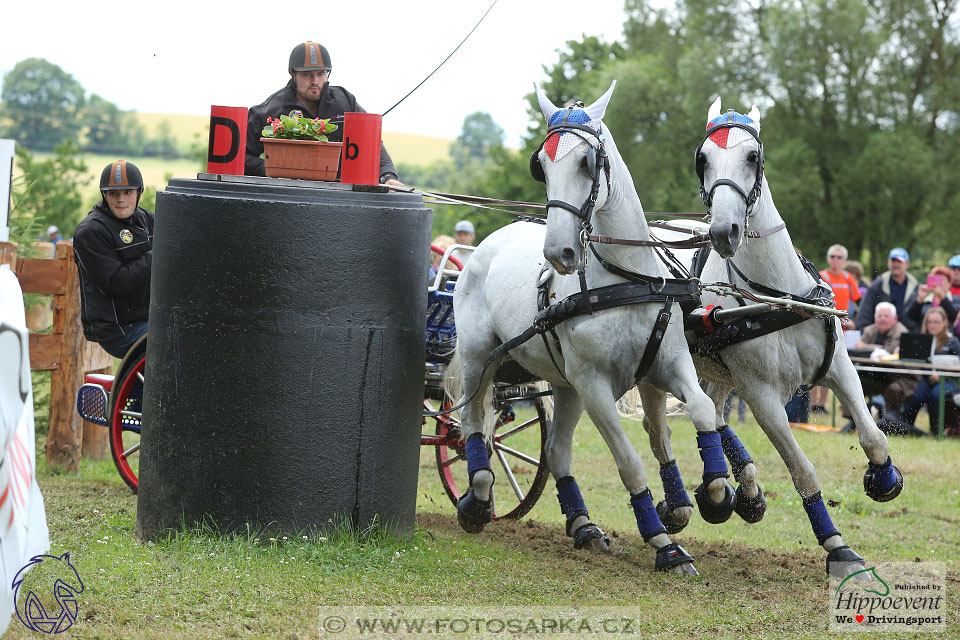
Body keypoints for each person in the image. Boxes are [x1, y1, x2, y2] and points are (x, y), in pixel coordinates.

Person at [245, 41, 403, 187]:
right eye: (307, 74)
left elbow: (372, 142)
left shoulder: (346, 102)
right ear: (293, 75)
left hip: (340, 194)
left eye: (320, 74)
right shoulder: (272, 110)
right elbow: (241, 156)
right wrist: (272, 170)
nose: (314, 81)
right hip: (288, 195)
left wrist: (387, 176)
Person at [73, 161, 153, 359]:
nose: (121, 200)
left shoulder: (146, 219)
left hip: (148, 320)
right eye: (113, 193)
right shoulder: (91, 232)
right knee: (174, 342)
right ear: (104, 195)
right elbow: (116, 283)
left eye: (127, 192)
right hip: (119, 331)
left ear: (139, 192)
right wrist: (157, 257)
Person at [850, 302, 917, 433]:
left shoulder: (901, 331)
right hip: (876, 375)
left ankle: (892, 422)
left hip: (900, 377)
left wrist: (867, 348)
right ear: (875, 318)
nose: (882, 319)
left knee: (894, 389)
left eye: (886, 316)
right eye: (879, 316)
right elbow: (858, 348)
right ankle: (853, 420)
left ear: (894, 318)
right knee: (854, 384)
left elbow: (890, 351)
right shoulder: (870, 329)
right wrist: (873, 349)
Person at [811, 244, 860, 414]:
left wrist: (854, 321)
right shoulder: (822, 276)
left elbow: (858, 300)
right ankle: (812, 404)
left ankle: (821, 405)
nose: (835, 260)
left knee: (831, 366)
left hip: (843, 330)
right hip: (823, 326)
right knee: (817, 365)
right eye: (832, 256)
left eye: (839, 257)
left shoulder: (848, 278)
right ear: (828, 258)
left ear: (845, 260)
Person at [900, 307, 960, 434]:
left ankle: (936, 431)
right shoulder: (922, 341)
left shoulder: (952, 342)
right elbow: (917, 361)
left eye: (936, 322)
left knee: (935, 395)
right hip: (927, 378)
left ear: (944, 322)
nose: (932, 325)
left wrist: (941, 374)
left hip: (950, 380)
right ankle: (905, 428)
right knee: (917, 395)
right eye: (930, 322)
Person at [855, 248, 919, 331]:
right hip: (881, 335)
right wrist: (863, 331)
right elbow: (865, 310)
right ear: (888, 263)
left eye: (899, 261)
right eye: (893, 261)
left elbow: (917, 316)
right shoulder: (878, 284)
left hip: (906, 335)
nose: (896, 264)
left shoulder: (915, 286)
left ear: (907, 264)